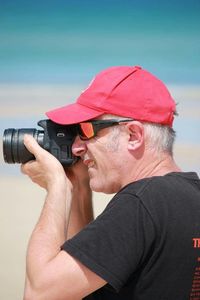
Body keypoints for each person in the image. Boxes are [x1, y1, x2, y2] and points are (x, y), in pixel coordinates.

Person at [22, 65, 200, 300]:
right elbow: (83, 288)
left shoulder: (140, 204)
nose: (76, 146)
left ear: (133, 135)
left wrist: (57, 186)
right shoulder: (188, 197)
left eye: (86, 130)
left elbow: (39, 292)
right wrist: (79, 190)